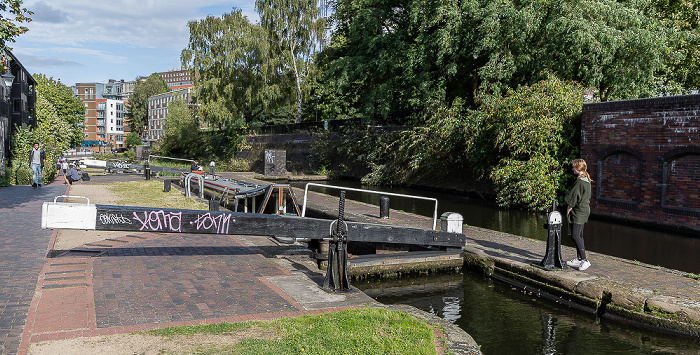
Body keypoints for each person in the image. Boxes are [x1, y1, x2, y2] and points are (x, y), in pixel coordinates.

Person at [565, 159, 593, 271]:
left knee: (575, 235)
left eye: (574, 167)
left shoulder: (580, 182)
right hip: (584, 210)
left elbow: (573, 197)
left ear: (578, 168)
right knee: (579, 235)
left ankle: (585, 260)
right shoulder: (586, 179)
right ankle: (579, 258)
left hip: (579, 211)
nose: (572, 169)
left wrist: (569, 207)